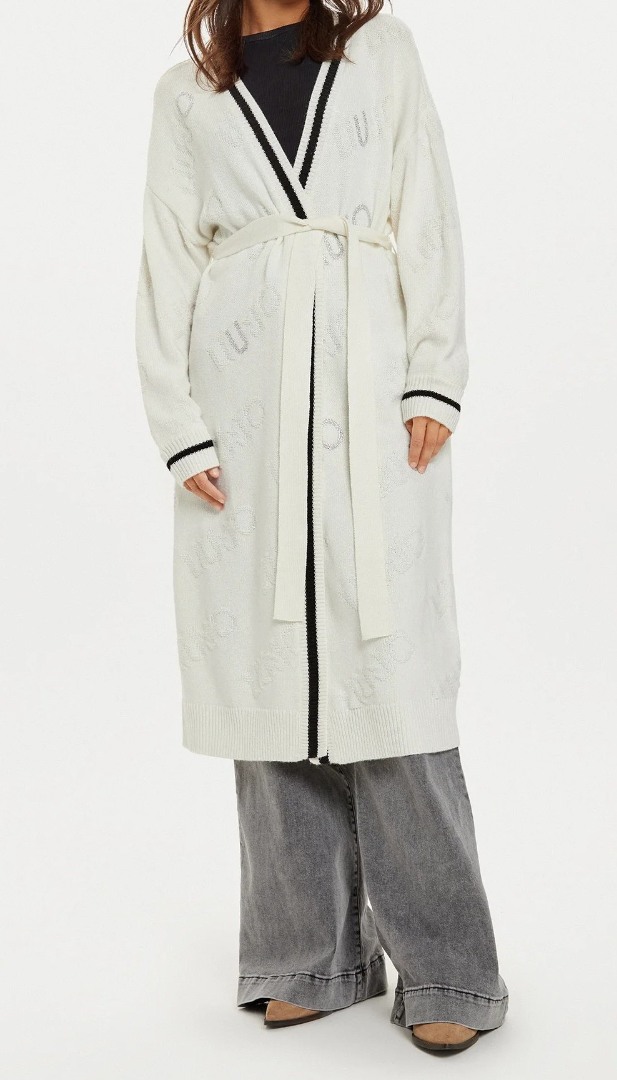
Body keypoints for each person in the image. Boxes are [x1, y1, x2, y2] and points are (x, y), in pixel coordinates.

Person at [134, 0, 509, 1054]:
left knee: (391, 677)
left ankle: (449, 969)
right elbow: (167, 260)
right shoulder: (186, 95)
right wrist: (180, 425)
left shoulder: (381, 53)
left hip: (372, 388)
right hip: (242, 413)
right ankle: (308, 956)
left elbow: (425, 206)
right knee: (266, 681)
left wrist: (433, 374)